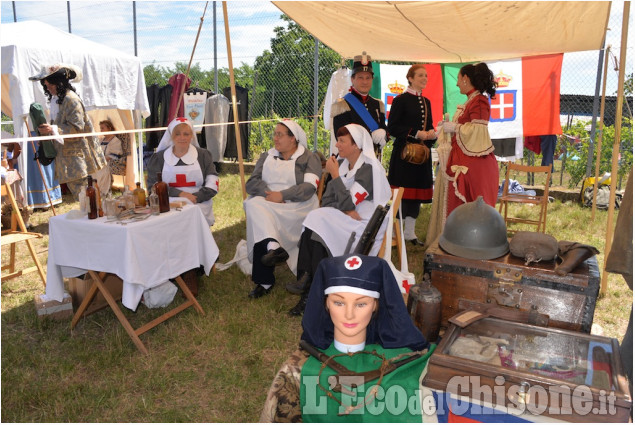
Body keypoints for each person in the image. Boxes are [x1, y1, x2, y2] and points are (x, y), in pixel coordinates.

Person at [260, 254, 435, 422]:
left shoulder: (409, 357)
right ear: (326, 303)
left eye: (361, 304)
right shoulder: (297, 369)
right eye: (339, 302)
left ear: (375, 305)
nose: (349, 315)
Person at [285, 124, 392, 316]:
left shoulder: (368, 169)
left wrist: (335, 178)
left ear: (356, 145)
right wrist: (344, 208)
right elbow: (327, 201)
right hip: (345, 220)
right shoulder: (344, 166)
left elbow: (348, 203)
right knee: (317, 223)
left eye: (342, 141)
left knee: (318, 220)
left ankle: (308, 284)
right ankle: (310, 288)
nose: (337, 144)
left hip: (363, 226)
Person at [244, 119, 322, 299]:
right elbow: (252, 183)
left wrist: (283, 195)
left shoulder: (309, 158)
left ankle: (266, 274)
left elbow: (309, 187)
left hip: (299, 208)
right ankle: (273, 247)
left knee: (260, 217)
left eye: (280, 135)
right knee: (253, 204)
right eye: (275, 134)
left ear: (293, 139)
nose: (275, 138)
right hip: (270, 201)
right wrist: (270, 194)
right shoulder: (266, 156)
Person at [426, 63, 499, 247]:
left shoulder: (479, 101)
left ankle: (467, 242)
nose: (458, 84)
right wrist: (449, 127)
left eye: (459, 79)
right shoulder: (471, 101)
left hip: (473, 165)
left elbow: (479, 131)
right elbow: (467, 128)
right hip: (463, 160)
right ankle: (456, 241)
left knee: (469, 205)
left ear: (466, 78)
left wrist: (455, 127)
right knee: (457, 202)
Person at [30, 63, 109, 198]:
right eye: (45, 85)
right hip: (70, 159)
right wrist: (47, 138)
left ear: (59, 82)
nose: (47, 88)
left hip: (80, 160)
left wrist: (52, 129)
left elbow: (77, 129)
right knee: (85, 198)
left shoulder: (71, 100)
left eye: (50, 84)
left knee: (88, 196)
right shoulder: (58, 101)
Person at [387, 64, 437, 245]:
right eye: (420, 76)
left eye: (426, 76)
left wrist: (432, 134)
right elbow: (392, 127)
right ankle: (397, 232)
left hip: (421, 155)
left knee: (416, 194)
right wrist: (415, 133)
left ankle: (410, 233)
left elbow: (429, 125)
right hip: (404, 154)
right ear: (410, 78)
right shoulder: (400, 100)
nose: (424, 78)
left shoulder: (427, 102)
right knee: (402, 193)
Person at [146, 117, 219, 227]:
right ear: (171, 136)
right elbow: (153, 186)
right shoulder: (159, 158)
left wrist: (197, 197)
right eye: (178, 134)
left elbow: (212, 182)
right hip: (169, 204)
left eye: (186, 134)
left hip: (198, 203)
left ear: (192, 136)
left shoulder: (203, 155)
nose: (182, 138)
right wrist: (181, 194)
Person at [331, 52, 388, 156]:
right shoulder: (342, 105)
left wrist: (384, 134)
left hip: (372, 159)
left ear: (372, 80)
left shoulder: (378, 105)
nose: (365, 82)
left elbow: (384, 129)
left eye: (368, 78)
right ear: (352, 79)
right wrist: (370, 136)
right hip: (351, 160)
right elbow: (341, 136)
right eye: (360, 77)